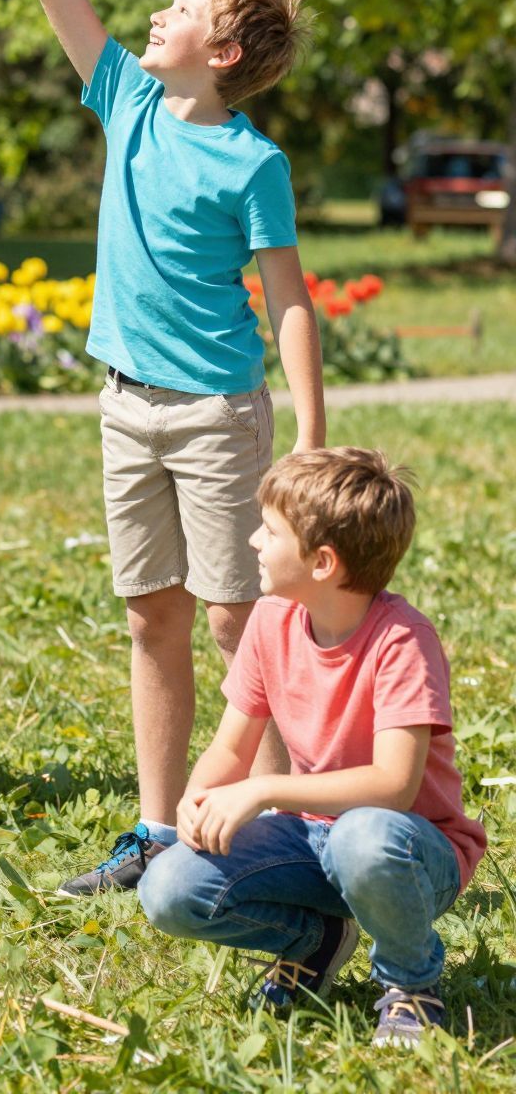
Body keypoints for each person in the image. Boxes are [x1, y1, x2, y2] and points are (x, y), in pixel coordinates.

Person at [0, 0, 325, 895]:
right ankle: (157, 829)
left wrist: (309, 433)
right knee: (150, 612)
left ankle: (280, 835)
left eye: (179, 8)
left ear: (219, 52)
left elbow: (291, 300)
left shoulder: (253, 163)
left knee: (234, 621)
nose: (153, 15)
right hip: (127, 403)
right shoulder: (124, 97)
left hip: (218, 410)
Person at [138, 449, 486, 1048]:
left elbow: (393, 786)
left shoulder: (402, 640)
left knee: (362, 838)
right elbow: (230, 747)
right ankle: (316, 941)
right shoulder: (272, 623)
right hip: (310, 839)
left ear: (322, 561)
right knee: (168, 888)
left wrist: (266, 789)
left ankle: (411, 987)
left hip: (406, 851)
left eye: (270, 531)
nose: (253, 541)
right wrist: (198, 799)